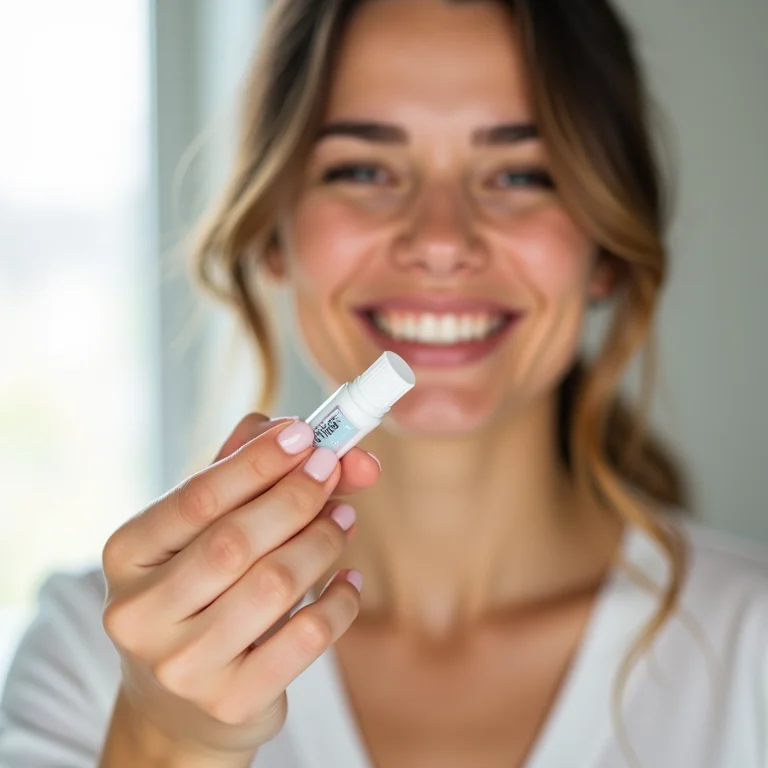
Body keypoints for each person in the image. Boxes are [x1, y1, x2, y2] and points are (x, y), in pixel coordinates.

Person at [1, 0, 767, 766]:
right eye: (364, 170)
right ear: (273, 230)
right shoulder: (97, 653)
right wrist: (165, 741)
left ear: (605, 247)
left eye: (519, 173)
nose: (440, 241)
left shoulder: (750, 653)